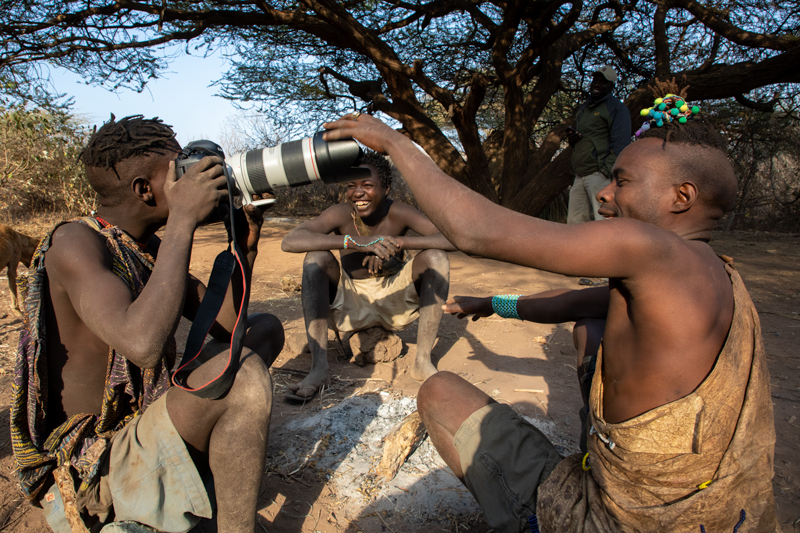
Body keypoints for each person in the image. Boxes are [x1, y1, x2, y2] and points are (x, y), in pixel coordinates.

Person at [321, 98, 780, 531]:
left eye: (623, 181)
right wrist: (489, 304)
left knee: (440, 392)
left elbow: (475, 231)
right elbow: (573, 302)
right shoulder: (712, 277)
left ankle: (542, 520)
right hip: (714, 514)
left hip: (615, 520)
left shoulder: (652, 249)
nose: (604, 195)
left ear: (682, 196)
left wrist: (397, 143)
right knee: (591, 328)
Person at [10, 115, 284, 533]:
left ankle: (200, 461)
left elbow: (229, 328)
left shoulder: (144, 247)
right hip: (100, 466)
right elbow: (143, 345)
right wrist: (182, 222)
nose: (193, 178)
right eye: (181, 170)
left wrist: (244, 246)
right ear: (144, 189)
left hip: (147, 419)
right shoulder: (74, 243)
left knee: (264, 329)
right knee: (244, 375)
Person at [281, 149, 454, 400]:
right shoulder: (341, 213)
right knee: (315, 258)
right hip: (348, 304)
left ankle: (423, 361)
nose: (358, 192)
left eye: (367, 185)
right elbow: (290, 241)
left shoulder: (399, 212)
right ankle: (319, 368)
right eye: (351, 186)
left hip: (395, 299)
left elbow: (450, 239)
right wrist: (358, 242)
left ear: (386, 188)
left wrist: (398, 243)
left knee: (437, 257)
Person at [566, 65, 631, 224]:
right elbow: (589, 137)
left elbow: (621, 143)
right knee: (574, 223)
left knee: (603, 221)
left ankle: (610, 250)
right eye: (595, 79)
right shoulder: (584, 108)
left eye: (603, 81)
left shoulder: (617, 108)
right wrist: (573, 138)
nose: (597, 83)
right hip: (580, 174)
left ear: (611, 86)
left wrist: (605, 171)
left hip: (599, 174)